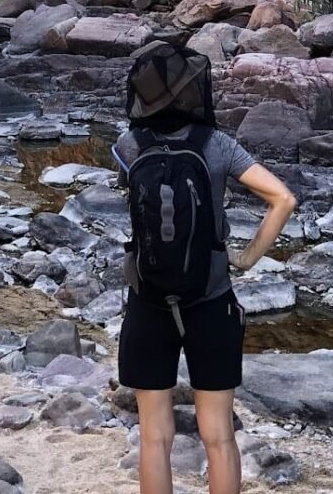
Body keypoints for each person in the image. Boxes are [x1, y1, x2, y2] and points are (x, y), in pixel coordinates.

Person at [113, 45, 296, 494]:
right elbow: (283, 199)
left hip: (148, 301)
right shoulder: (217, 145)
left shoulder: (127, 145)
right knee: (218, 436)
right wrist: (248, 256)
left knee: (154, 437)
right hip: (211, 301)